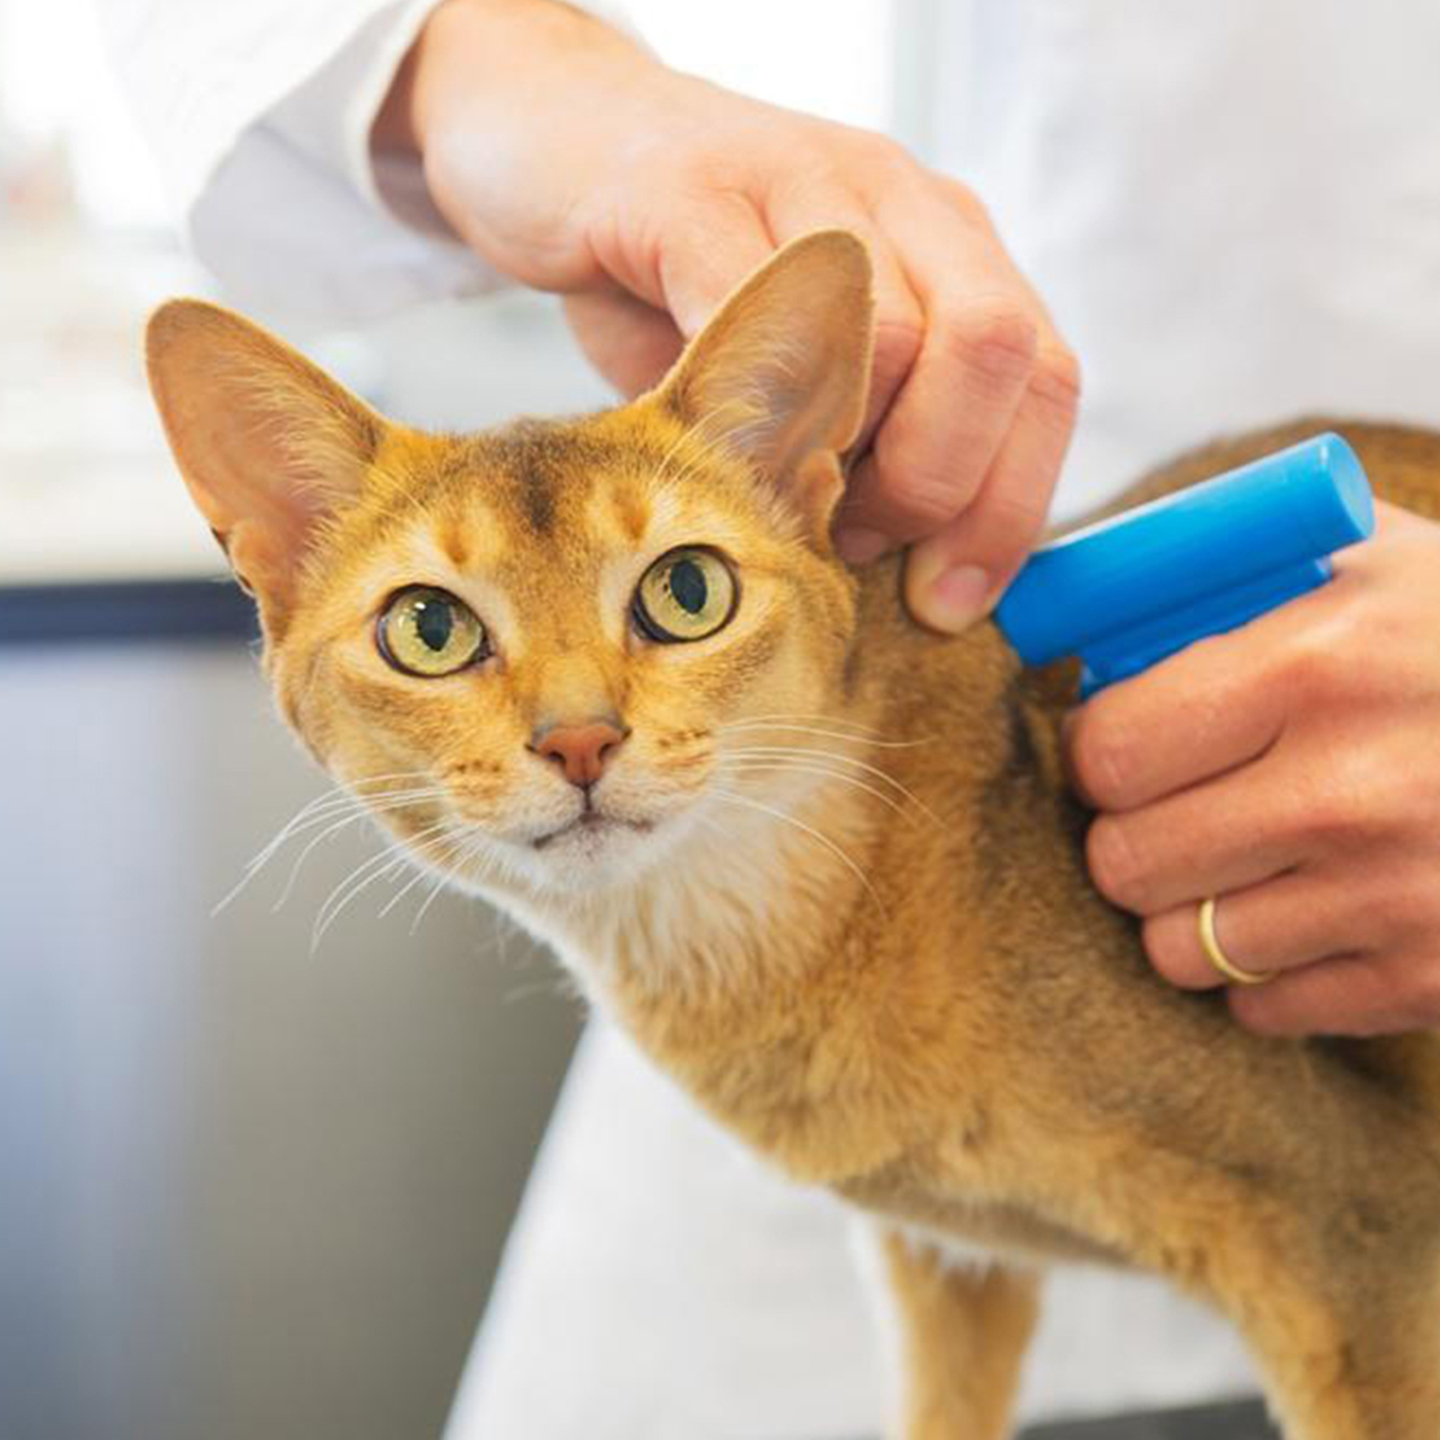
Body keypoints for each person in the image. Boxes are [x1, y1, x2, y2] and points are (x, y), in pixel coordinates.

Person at [105, 0, 1440, 1432]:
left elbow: (1367, 1236)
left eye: (673, 596)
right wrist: (532, 85)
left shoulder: (948, 916)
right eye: (436, 631)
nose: (576, 728)